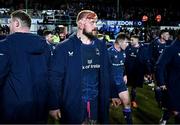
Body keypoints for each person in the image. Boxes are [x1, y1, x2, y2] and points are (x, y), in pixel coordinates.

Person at [48, 10, 110, 124]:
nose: (95, 26)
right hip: (73, 103)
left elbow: (107, 73)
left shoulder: (101, 46)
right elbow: (55, 79)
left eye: (96, 23)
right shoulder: (63, 48)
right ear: (81, 24)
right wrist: (53, 104)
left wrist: (114, 94)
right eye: (92, 22)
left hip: (96, 103)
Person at [0, 10, 51, 123]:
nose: (9, 26)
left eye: (10, 22)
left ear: (16, 23)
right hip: (40, 107)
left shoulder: (5, 45)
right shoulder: (45, 45)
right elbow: (51, 76)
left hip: (13, 110)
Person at [156, 30, 180, 124]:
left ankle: (165, 117)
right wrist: (161, 82)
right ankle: (164, 119)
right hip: (173, 85)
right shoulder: (171, 49)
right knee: (176, 111)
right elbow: (160, 66)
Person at [108, 33, 133, 124]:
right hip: (110, 84)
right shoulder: (109, 53)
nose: (128, 44)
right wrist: (113, 93)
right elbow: (107, 73)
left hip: (120, 82)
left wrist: (124, 74)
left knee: (127, 103)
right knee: (107, 107)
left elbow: (123, 65)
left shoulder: (123, 52)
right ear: (120, 42)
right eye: (126, 42)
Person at [125, 35, 151, 108]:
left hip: (137, 72)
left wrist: (148, 72)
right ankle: (124, 100)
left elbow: (146, 61)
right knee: (124, 87)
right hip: (127, 71)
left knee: (134, 88)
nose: (131, 41)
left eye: (132, 40)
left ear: (137, 40)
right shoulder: (128, 48)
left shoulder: (143, 49)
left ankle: (133, 100)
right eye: (131, 40)